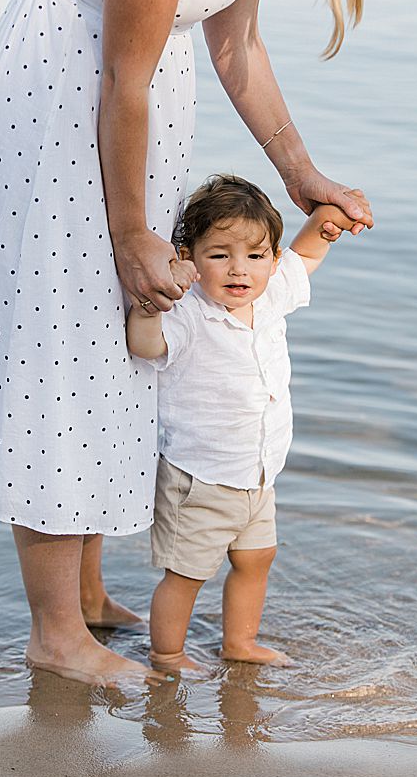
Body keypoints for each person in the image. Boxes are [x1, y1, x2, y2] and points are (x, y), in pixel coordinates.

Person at [0, 0, 388, 686]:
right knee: (67, 366)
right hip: (57, 123)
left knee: (113, 360)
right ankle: (55, 635)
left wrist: (300, 174)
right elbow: (121, 76)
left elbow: (236, 40)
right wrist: (133, 232)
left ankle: (88, 596)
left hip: (128, 120)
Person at [125, 174, 357, 672]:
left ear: (273, 259)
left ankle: (240, 643)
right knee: (185, 575)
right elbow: (145, 347)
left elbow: (309, 253)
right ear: (187, 257)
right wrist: (149, 305)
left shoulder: (272, 296)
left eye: (255, 256)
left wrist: (331, 220)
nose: (239, 269)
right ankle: (167, 653)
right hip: (201, 476)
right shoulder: (188, 314)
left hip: (259, 471)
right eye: (219, 254)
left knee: (257, 560)